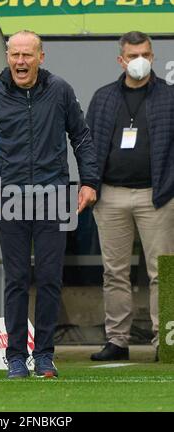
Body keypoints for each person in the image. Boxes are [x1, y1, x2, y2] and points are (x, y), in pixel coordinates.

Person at [0, 30, 98, 378]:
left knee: (51, 278)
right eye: (14, 55)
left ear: (42, 56)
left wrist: (89, 182)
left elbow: (82, 137)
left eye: (27, 55)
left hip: (55, 196)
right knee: (16, 279)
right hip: (8, 197)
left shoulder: (60, 91)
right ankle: (15, 358)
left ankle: (44, 356)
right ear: (7, 56)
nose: (20, 62)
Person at [86, 31, 174, 361]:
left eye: (147, 54)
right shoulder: (104, 97)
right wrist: (91, 186)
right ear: (120, 60)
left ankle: (165, 342)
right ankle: (118, 341)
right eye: (134, 55)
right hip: (111, 196)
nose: (141, 61)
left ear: (153, 57)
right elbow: (88, 145)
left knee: (162, 272)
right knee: (114, 273)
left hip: (159, 196)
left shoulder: (169, 96)